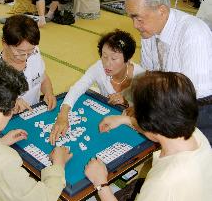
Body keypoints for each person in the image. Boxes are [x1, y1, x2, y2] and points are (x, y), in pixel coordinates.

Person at [85, 71, 212, 201]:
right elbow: (158, 127)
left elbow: (162, 186)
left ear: (149, 123)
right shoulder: (195, 133)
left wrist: (100, 183)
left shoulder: (162, 183)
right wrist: (125, 120)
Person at [0, 59, 72, 201]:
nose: (13, 111)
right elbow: (43, 198)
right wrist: (58, 165)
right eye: (12, 107)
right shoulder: (4, 161)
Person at [125, 0, 212, 146]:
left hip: (200, 108)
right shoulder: (150, 31)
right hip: (172, 100)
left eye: (138, 18)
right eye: (132, 18)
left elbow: (191, 92)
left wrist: (142, 117)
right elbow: (150, 74)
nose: (135, 25)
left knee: (194, 161)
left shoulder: (193, 32)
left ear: (162, 11)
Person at [50, 29, 145, 145]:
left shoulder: (142, 77)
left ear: (128, 59)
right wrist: (63, 115)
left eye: (114, 59)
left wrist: (127, 100)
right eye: (104, 56)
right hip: (107, 119)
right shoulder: (99, 67)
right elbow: (79, 87)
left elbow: (151, 111)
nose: (107, 63)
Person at [0, 14, 57, 113]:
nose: (25, 57)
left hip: (33, 112)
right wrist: (10, 104)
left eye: (30, 51)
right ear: (5, 43)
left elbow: (43, 78)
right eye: (20, 52)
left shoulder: (34, 52)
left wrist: (48, 93)